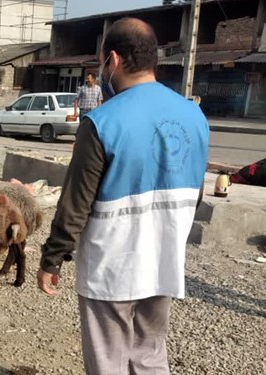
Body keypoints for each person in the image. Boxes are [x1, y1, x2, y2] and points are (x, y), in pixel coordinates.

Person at [37, 18, 209, 374]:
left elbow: (75, 204)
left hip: (111, 268)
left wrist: (52, 258)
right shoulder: (195, 116)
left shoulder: (101, 122)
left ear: (112, 60)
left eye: (101, 62)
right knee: (149, 355)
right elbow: (196, 193)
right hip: (164, 262)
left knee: (108, 360)